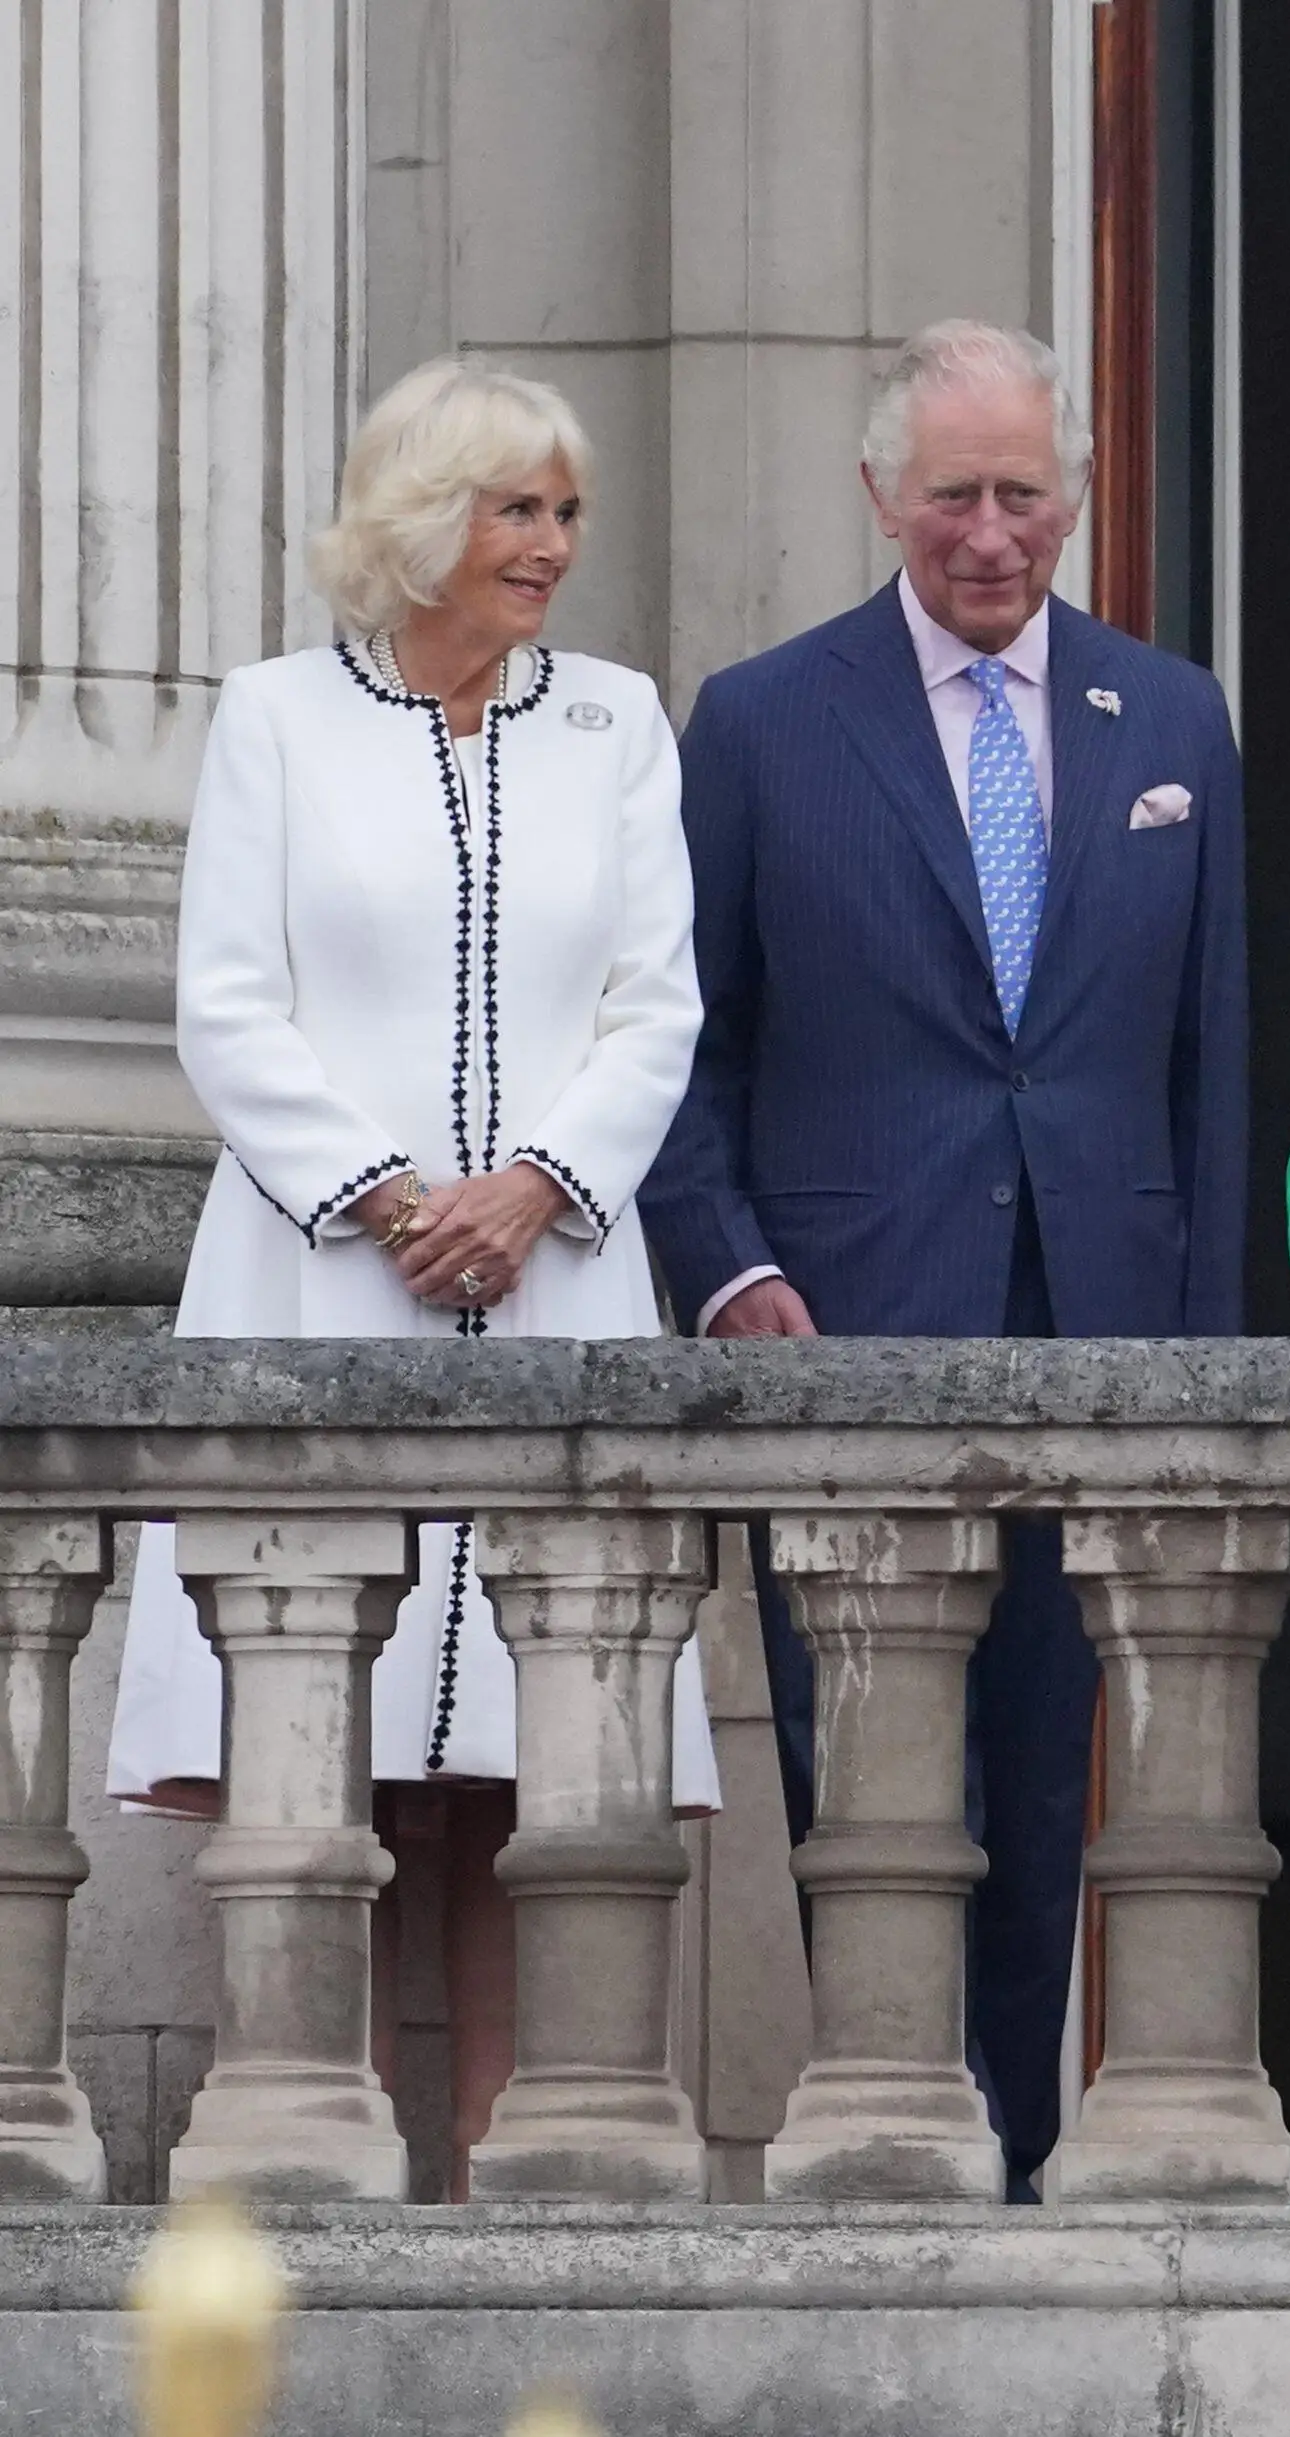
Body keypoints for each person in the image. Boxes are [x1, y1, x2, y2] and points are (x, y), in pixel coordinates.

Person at [637, 319, 1250, 2200]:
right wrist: (724, 1275)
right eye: (954, 496)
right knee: (864, 1770)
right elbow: (678, 1041)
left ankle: (1019, 2148)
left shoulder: (1172, 720)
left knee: (1052, 1773)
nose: (992, 533)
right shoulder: (760, 719)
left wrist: (1204, 1364)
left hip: (1098, 1332)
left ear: (1079, 494)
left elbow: (1209, 1063)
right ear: (879, 495)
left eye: (1024, 495)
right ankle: (891, 2128)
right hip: (839, 1332)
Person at [105, 357, 716, 2194]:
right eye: (516, 507)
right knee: (334, 1748)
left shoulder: (616, 722)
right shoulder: (278, 719)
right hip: (321, 1286)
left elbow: (656, 1004)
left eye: (565, 511)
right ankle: (334, 2172)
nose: (552, 543)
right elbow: (228, 1004)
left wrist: (536, 1189)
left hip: (556, 1282)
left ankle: (525, 2178)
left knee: (540, 1757)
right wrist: (384, 1198)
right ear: (422, 518)